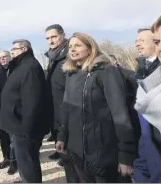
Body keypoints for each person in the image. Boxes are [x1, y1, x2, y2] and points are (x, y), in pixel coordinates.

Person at [56, 33, 137, 183]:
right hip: (78, 154)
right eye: (70, 46)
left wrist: (126, 154)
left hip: (104, 154)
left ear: (90, 49)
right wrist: (62, 135)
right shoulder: (71, 75)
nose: (72, 49)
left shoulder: (107, 72)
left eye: (78, 45)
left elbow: (120, 114)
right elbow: (66, 108)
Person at [0, 39, 53, 183]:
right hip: (18, 125)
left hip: (24, 128)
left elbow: (32, 101)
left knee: (28, 163)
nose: (11, 52)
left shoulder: (30, 67)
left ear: (24, 49)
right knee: (25, 162)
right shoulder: (21, 65)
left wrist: (27, 129)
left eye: (14, 49)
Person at [44, 24, 80, 182]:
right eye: (47, 38)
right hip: (57, 106)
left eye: (53, 37)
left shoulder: (69, 55)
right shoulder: (53, 56)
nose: (50, 41)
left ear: (62, 35)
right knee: (64, 150)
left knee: (73, 158)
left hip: (70, 109)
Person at [133, 14, 161, 183]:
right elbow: (146, 133)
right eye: (159, 42)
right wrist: (141, 171)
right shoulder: (151, 80)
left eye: (142, 41)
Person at [0, 50, 18, 175]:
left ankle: (14, 162)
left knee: (13, 138)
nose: (3, 59)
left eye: (5, 56)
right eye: (1, 57)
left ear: (10, 57)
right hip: (0, 109)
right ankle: (6, 158)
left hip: (13, 110)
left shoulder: (16, 69)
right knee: (3, 137)